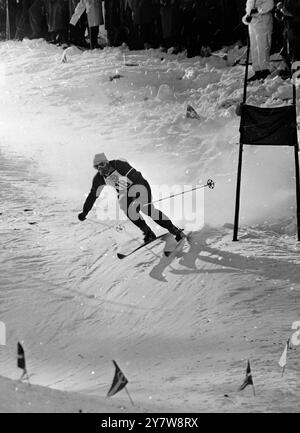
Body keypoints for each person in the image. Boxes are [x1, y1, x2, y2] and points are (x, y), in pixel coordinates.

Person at [78, 153, 185, 243]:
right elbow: (93, 195)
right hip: (126, 193)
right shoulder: (99, 179)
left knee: (147, 210)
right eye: (97, 167)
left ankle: (174, 229)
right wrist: (85, 211)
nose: (100, 168)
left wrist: (137, 198)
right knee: (129, 211)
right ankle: (148, 232)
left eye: (102, 164)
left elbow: (137, 178)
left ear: (107, 162)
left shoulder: (119, 165)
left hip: (140, 186)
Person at [242, 0, 274, 81]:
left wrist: (258, 9)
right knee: (254, 48)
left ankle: (265, 71)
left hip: (263, 23)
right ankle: (257, 71)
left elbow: (270, 4)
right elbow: (248, 11)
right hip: (253, 25)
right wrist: (246, 18)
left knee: (263, 47)